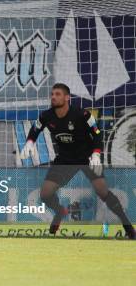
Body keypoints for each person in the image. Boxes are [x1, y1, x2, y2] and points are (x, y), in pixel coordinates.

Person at [20, 83, 135, 239]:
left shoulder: (82, 115)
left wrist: (96, 154)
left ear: (67, 97)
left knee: (102, 192)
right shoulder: (46, 116)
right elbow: (36, 129)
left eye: (58, 94)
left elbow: (97, 134)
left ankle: (128, 227)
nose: (53, 97)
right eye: (52, 94)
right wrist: (30, 142)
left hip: (88, 157)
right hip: (65, 159)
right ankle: (60, 211)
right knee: (45, 194)